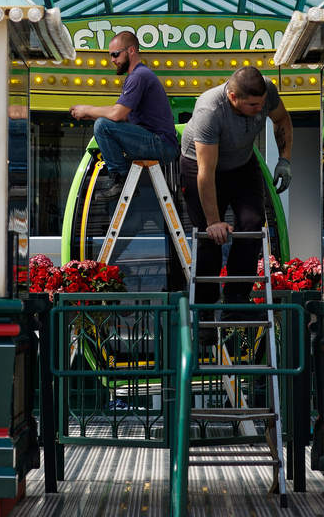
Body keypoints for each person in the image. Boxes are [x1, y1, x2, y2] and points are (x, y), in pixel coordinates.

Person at [180, 66, 293, 328]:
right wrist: (213, 221)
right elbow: (206, 173)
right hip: (202, 167)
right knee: (211, 237)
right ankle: (204, 311)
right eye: (253, 105)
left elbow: (281, 119)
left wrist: (285, 160)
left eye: (262, 103)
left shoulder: (266, 90)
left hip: (243, 163)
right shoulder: (210, 110)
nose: (259, 110)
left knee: (253, 222)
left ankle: (236, 298)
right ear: (232, 97)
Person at [69, 30, 179, 202]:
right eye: (111, 55)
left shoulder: (139, 76)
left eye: (115, 54)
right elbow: (124, 118)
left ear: (131, 50)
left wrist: (87, 109)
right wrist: (90, 116)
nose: (112, 60)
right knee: (101, 123)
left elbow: (116, 113)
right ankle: (123, 182)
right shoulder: (139, 76)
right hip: (159, 143)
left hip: (161, 144)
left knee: (102, 125)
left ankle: (119, 180)